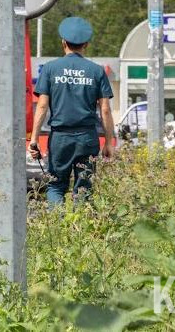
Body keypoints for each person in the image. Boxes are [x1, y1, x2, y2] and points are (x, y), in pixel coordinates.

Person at [29, 16, 115, 207]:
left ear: (63, 42)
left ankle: (58, 230)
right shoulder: (96, 71)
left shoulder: (51, 69)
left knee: (56, 185)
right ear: (86, 44)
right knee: (84, 188)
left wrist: (34, 139)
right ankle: (80, 230)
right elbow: (105, 110)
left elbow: (42, 106)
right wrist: (108, 142)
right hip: (87, 137)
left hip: (60, 138)